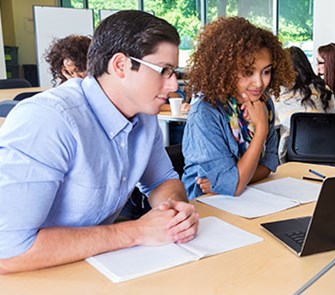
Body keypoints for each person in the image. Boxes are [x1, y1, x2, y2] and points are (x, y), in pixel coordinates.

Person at [0, 10, 199, 274]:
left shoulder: (143, 114)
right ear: (120, 66)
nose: (173, 85)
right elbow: (8, 249)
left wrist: (173, 213)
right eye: (164, 71)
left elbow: (162, 180)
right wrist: (137, 231)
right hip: (31, 274)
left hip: (96, 266)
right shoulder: (49, 120)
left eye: (174, 72)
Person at [181, 17, 293, 199]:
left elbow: (269, 164)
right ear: (225, 69)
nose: (259, 82)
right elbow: (233, 186)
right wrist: (261, 128)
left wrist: (233, 180)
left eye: (266, 71)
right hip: (204, 206)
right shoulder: (206, 112)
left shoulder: (264, 103)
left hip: (247, 200)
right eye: (248, 72)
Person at [272, 46, 335, 164]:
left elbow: (273, 127)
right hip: (326, 154)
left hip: (292, 157)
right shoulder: (323, 89)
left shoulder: (277, 94)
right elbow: (334, 119)